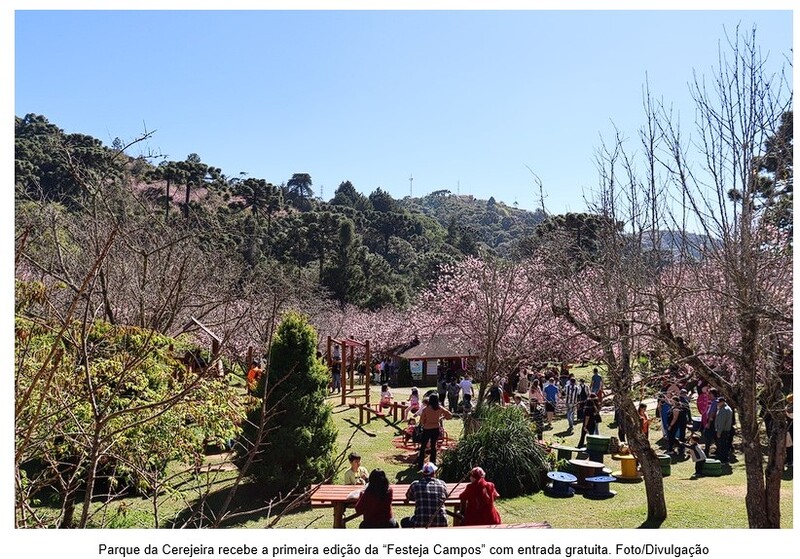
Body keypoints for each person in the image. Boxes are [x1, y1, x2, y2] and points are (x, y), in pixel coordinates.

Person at [401, 463, 449, 528]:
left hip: (420, 524)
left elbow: (408, 496)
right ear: (434, 473)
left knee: (404, 521)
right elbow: (446, 496)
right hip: (441, 523)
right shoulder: (442, 484)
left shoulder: (415, 485)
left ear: (422, 474)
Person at [416, 394, 453, 469]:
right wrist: (442, 417)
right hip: (436, 428)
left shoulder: (425, 409)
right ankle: (433, 463)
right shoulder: (439, 408)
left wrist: (426, 422)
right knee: (433, 446)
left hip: (427, 429)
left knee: (423, 446)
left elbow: (422, 421)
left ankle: (420, 465)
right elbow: (450, 415)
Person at [714, 397, 734, 464]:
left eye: (719, 402)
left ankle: (723, 460)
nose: (718, 403)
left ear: (722, 402)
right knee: (724, 445)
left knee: (722, 446)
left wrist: (719, 432)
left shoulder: (723, 410)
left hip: (722, 431)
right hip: (726, 430)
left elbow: (721, 422)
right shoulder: (727, 408)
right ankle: (724, 459)